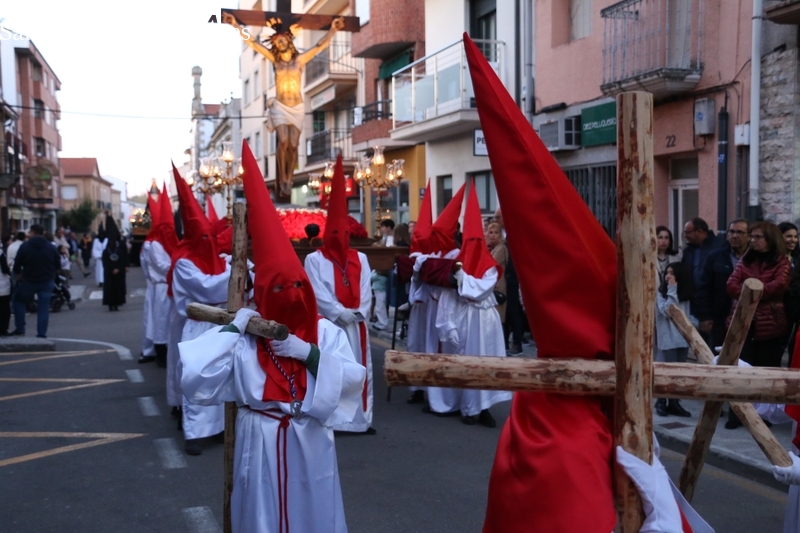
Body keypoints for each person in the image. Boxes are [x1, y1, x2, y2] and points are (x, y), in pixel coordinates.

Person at [179, 141, 365, 533]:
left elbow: (353, 379)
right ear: (262, 294)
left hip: (311, 443)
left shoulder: (326, 332)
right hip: (258, 442)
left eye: (300, 286)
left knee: (313, 516)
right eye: (280, 289)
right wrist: (233, 328)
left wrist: (310, 354)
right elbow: (195, 378)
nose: (294, 296)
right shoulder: (246, 337)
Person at [223, 12, 345, 203]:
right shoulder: (275, 60)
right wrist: (236, 27)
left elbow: (319, 45)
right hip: (280, 106)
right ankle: (284, 180)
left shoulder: (300, 60)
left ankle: (289, 174)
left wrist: (333, 29)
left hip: (296, 106)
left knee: (295, 145)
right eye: (277, 42)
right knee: (284, 142)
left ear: (289, 41)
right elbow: (253, 44)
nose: (280, 44)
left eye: (282, 41)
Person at [304, 156, 375, 434]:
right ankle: (334, 418)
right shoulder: (315, 259)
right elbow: (316, 291)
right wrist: (339, 312)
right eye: (334, 232)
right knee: (334, 373)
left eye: (343, 232)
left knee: (359, 371)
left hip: (355, 326)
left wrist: (358, 312)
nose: (339, 237)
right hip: (332, 326)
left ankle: (361, 420)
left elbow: (366, 289)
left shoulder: (361, 258)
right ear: (325, 233)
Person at [436, 182, 511, 426]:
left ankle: (485, 407)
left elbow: (479, 291)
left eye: (480, 239)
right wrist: (448, 325)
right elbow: (448, 298)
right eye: (472, 240)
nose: (476, 245)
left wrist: (461, 278)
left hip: (485, 320)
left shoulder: (489, 267)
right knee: (467, 362)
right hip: (465, 320)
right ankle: (468, 407)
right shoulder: (456, 265)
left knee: (487, 361)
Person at [169, 163, 230, 455]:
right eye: (202, 237)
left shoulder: (220, 260)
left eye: (210, 237)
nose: (208, 243)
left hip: (221, 326)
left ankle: (217, 428)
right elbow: (207, 288)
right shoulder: (184, 263)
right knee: (196, 377)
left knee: (222, 378)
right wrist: (237, 270)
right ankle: (194, 432)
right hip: (198, 326)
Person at [725, 221, 791, 429]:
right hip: (744, 321)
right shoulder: (747, 259)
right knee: (740, 369)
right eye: (752, 237)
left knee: (765, 370)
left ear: (770, 239)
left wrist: (753, 292)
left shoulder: (781, 261)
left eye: (758, 237)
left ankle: (763, 416)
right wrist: (750, 293)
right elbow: (731, 284)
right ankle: (736, 414)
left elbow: (779, 285)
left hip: (769, 324)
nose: (753, 241)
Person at [694, 219, 749, 350]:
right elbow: (703, 287)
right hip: (719, 319)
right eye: (732, 232)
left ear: (749, 235)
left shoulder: (754, 259)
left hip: (747, 319)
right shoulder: (715, 257)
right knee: (718, 357)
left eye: (740, 232)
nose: (735, 236)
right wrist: (704, 316)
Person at [141, 186, 178, 366]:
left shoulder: (173, 243)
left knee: (170, 321)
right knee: (159, 321)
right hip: (161, 286)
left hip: (172, 287)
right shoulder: (155, 245)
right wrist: (179, 266)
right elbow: (162, 266)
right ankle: (159, 352)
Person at [654, 262, 694, 417]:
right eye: (667, 272)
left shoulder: (686, 294)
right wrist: (672, 290)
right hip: (668, 339)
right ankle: (661, 401)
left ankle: (674, 402)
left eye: (672, 273)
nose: (667, 276)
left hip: (682, 339)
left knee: (679, 373)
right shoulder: (662, 293)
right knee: (666, 372)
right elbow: (667, 311)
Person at [11, 224, 60, 338]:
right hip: (47, 281)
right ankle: (42, 333)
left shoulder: (25, 246)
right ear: (43, 233)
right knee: (43, 307)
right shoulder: (51, 247)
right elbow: (57, 264)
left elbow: (17, 265)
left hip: (29, 281)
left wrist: (19, 276)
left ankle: (20, 328)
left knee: (18, 300)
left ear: (32, 233)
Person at [494, 207, 526, 355]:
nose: (496, 221)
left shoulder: (514, 233)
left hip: (511, 278)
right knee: (503, 313)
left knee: (514, 312)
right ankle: (505, 342)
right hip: (502, 279)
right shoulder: (500, 236)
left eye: (498, 217)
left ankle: (517, 343)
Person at [681, 217, 725, 322]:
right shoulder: (688, 251)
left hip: (716, 308)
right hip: (694, 306)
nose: (685, 236)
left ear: (699, 231)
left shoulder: (720, 246)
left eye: (688, 232)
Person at [486, 222, 508, 346]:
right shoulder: (493, 248)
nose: (493, 235)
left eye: (496, 233)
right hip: (492, 286)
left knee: (499, 317)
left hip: (499, 286)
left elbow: (490, 264)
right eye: (491, 232)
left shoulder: (501, 249)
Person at [101, 215, 128, 312]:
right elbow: (105, 261)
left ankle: (116, 303)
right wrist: (111, 269)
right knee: (110, 288)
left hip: (116, 272)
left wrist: (120, 268)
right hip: (110, 273)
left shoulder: (119, 249)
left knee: (117, 288)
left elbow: (123, 258)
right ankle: (110, 304)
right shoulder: (106, 251)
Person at [0, 246, 11, 336]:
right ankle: (3, 329)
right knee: (4, 309)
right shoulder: (0, 253)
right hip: (2, 285)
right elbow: (5, 270)